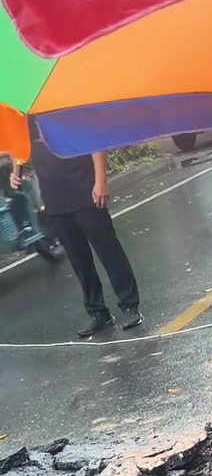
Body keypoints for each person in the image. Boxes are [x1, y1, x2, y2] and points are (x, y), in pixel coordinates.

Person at [12, 120, 141, 338]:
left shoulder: (65, 109)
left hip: (84, 190)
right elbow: (21, 151)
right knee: (79, 260)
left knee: (108, 251)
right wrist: (16, 172)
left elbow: (94, 142)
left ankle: (129, 305)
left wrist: (100, 180)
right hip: (55, 199)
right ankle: (98, 312)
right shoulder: (25, 119)